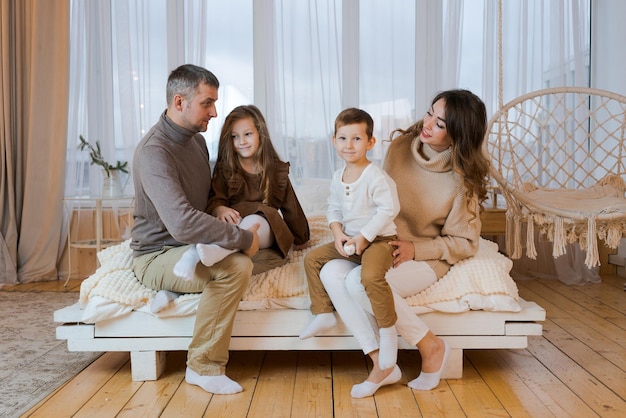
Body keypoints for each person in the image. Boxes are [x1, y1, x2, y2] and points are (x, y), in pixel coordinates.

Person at [319, 89, 490, 398]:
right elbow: (379, 202)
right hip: (381, 245)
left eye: (440, 124)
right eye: (430, 113)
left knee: (360, 282)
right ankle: (380, 362)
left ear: (458, 136)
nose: (428, 124)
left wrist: (417, 249)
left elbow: (466, 243)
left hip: (425, 258)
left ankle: (431, 346)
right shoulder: (400, 147)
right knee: (330, 272)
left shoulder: (461, 181)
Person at [131, 64, 270, 395]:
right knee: (236, 266)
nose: (214, 111)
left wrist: (220, 207)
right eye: (207, 103)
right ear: (180, 102)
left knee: (273, 249)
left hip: (188, 248)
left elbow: (203, 198)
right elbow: (181, 222)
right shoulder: (154, 152)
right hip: (157, 254)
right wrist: (243, 239)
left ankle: (177, 289)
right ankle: (203, 366)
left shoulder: (195, 142)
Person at [300, 108, 400, 371]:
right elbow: (333, 207)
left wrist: (364, 237)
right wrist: (337, 232)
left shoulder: (375, 176)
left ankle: (388, 332)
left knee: (369, 277)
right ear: (334, 141)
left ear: (370, 142)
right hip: (351, 242)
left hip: (379, 240)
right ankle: (322, 313)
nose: (349, 145)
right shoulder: (337, 176)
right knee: (312, 259)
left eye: (356, 139)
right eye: (343, 138)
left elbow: (389, 209)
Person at [171, 104, 310, 284]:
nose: (242, 141)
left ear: (260, 133)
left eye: (248, 134)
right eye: (235, 137)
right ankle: (195, 253)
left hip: (264, 228)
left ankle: (219, 250)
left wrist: (301, 238)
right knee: (230, 222)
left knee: (255, 221)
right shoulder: (226, 169)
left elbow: (292, 207)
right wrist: (220, 209)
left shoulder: (276, 170)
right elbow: (216, 197)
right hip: (235, 225)